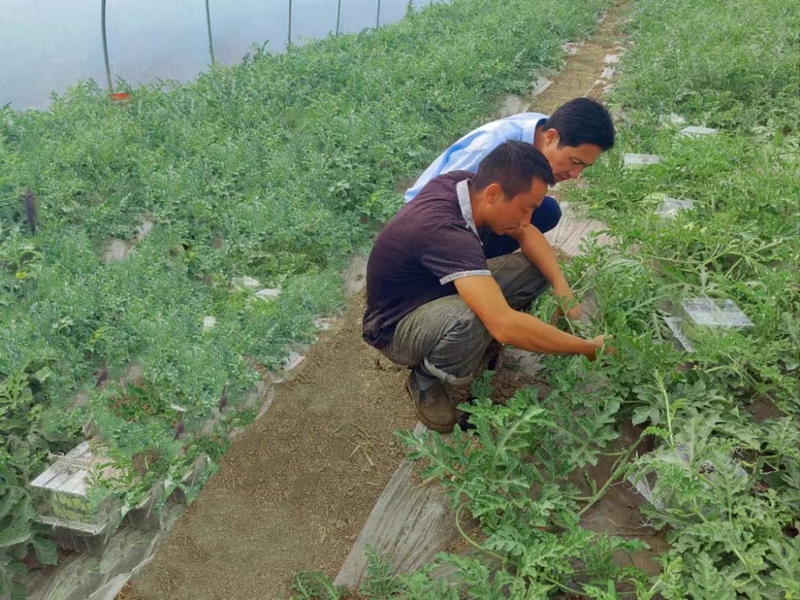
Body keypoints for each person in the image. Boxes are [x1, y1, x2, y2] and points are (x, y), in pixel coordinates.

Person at [363, 141, 610, 432]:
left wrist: (560, 284)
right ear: (493, 194)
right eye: (526, 208)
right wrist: (586, 348)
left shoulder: (464, 185)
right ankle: (427, 378)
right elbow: (503, 326)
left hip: (434, 289)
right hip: (395, 327)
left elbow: (525, 231)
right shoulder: (447, 234)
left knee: (536, 268)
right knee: (475, 317)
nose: (527, 220)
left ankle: (474, 340)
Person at [404, 97, 614, 322]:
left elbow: (523, 227)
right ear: (552, 137)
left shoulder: (543, 130)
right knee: (479, 314)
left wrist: (559, 283)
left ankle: (481, 268)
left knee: (546, 211)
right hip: (426, 230)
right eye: (574, 161)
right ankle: (457, 283)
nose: (575, 175)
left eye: (584, 166)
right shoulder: (489, 147)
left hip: (470, 217)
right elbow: (431, 204)